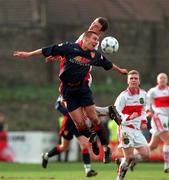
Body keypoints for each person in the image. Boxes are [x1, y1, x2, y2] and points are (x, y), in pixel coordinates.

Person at [13, 30, 128, 164]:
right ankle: (93, 138)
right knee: (80, 125)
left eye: (98, 40)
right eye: (94, 39)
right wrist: (28, 54)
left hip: (83, 89)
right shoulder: (70, 48)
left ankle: (106, 148)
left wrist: (120, 70)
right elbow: (47, 50)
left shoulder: (94, 55)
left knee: (94, 119)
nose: (97, 42)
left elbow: (107, 64)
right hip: (67, 91)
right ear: (84, 39)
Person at [42, 96, 98, 177]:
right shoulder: (66, 90)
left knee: (85, 145)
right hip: (69, 123)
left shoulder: (83, 91)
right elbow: (57, 105)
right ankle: (46, 156)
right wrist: (69, 113)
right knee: (64, 147)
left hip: (79, 122)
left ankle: (88, 170)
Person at [114, 70, 149, 180]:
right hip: (125, 129)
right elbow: (114, 112)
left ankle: (122, 160)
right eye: (131, 78)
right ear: (128, 81)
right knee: (129, 157)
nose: (133, 80)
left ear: (139, 81)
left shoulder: (143, 94)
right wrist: (129, 117)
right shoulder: (123, 96)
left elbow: (143, 110)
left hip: (137, 130)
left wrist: (143, 121)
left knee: (146, 154)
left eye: (136, 78)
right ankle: (119, 178)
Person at [147, 73, 169, 173]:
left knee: (152, 146)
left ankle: (130, 157)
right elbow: (147, 103)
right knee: (168, 140)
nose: (163, 79)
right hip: (158, 117)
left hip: (167, 119)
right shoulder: (153, 91)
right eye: (161, 78)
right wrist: (149, 111)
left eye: (164, 78)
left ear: (167, 80)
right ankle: (167, 166)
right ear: (157, 80)